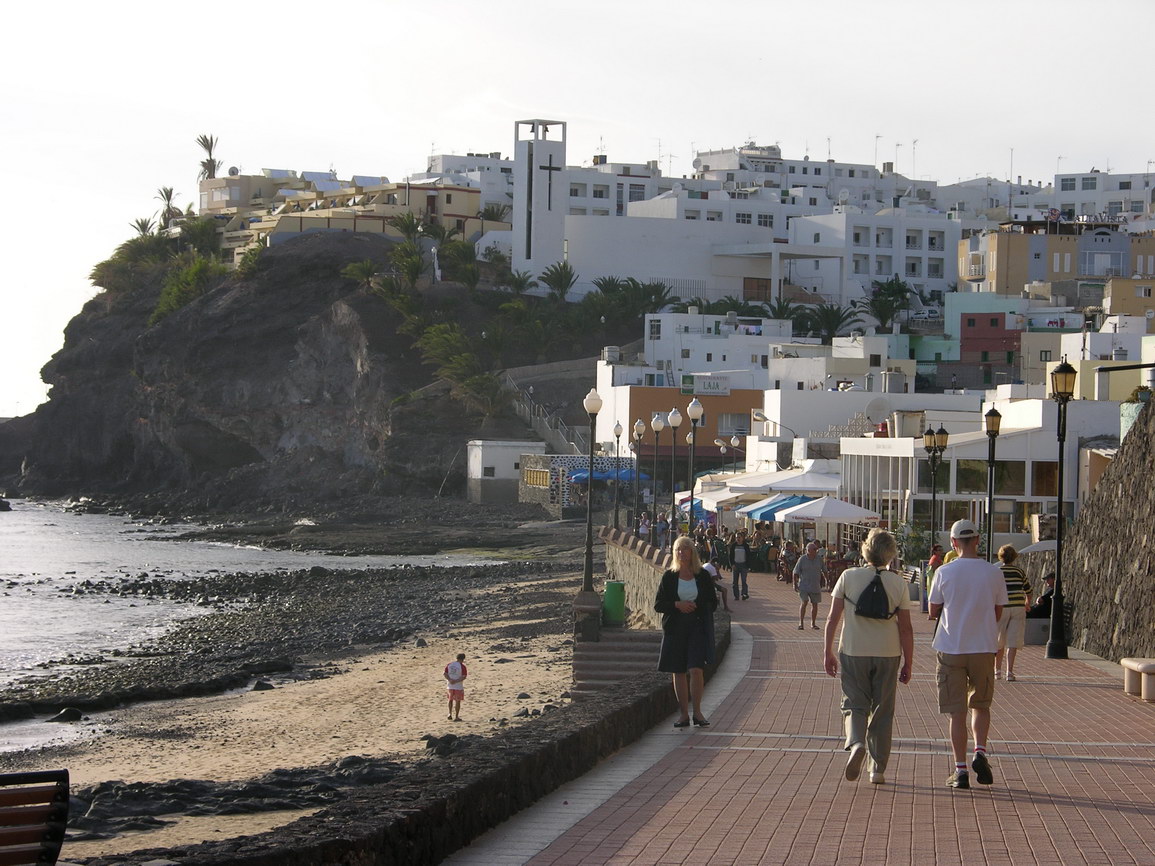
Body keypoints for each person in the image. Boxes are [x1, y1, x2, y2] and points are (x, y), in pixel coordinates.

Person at [824, 528, 914, 785]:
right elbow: (906, 628)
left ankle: (856, 744)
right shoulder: (898, 583)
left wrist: (827, 651)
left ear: (865, 549)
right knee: (883, 711)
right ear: (891, 554)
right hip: (888, 652)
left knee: (854, 704)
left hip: (853, 649)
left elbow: (832, 618)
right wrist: (908, 661)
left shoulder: (848, 576)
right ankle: (877, 769)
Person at [929, 519, 1008, 790]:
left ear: (953, 543)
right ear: (977, 540)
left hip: (951, 646)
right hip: (984, 646)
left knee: (956, 712)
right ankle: (980, 752)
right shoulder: (993, 572)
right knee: (981, 705)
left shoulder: (944, 571)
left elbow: (933, 610)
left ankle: (959, 770)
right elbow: (998, 611)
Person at [655, 535, 718, 728]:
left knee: (696, 669)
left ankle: (697, 713)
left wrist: (697, 607)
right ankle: (683, 714)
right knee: (678, 671)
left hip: (697, 626)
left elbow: (712, 603)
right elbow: (658, 604)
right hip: (675, 628)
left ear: (692, 552)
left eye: (685, 549)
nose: (681, 553)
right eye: (678, 550)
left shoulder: (702, 576)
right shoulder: (669, 576)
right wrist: (677, 605)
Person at [995, 545, 1032, 682]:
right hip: (1018, 607)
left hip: (1002, 607)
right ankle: (1009, 672)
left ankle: (997, 671)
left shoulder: (997, 571)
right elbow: (1028, 589)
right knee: (1012, 641)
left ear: (1001, 557)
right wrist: (1027, 603)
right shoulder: (1019, 572)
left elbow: (993, 590)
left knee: (999, 639)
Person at [793, 543, 827, 630]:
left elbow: (824, 570)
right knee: (804, 602)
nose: (816, 551)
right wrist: (795, 584)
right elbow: (795, 572)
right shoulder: (802, 559)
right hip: (804, 585)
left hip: (815, 585)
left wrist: (827, 580)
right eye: (814, 550)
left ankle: (813, 623)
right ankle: (801, 623)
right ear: (808, 551)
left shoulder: (819, 559)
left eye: (816, 549)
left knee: (815, 604)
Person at [728, 530, 752, 601]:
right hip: (735, 565)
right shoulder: (733, 546)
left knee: (743, 581)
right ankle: (736, 596)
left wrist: (748, 566)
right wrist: (732, 564)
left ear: (742, 538)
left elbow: (749, 556)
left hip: (744, 565)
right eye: (737, 537)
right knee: (735, 582)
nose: (738, 539)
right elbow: (730, 556)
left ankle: (744, 594)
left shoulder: (745, 546)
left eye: (739, 537)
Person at [443, 653, 468, 721]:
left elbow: (445, 673)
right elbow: (464, 676)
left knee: (450, 700)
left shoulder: (450, 664)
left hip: (450, 686)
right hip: (458, 686)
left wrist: (450, 680)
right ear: (463, 659)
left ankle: (449, 713)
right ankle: (456, 716)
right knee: (457, 701)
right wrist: (456, 681)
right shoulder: (462, 666)